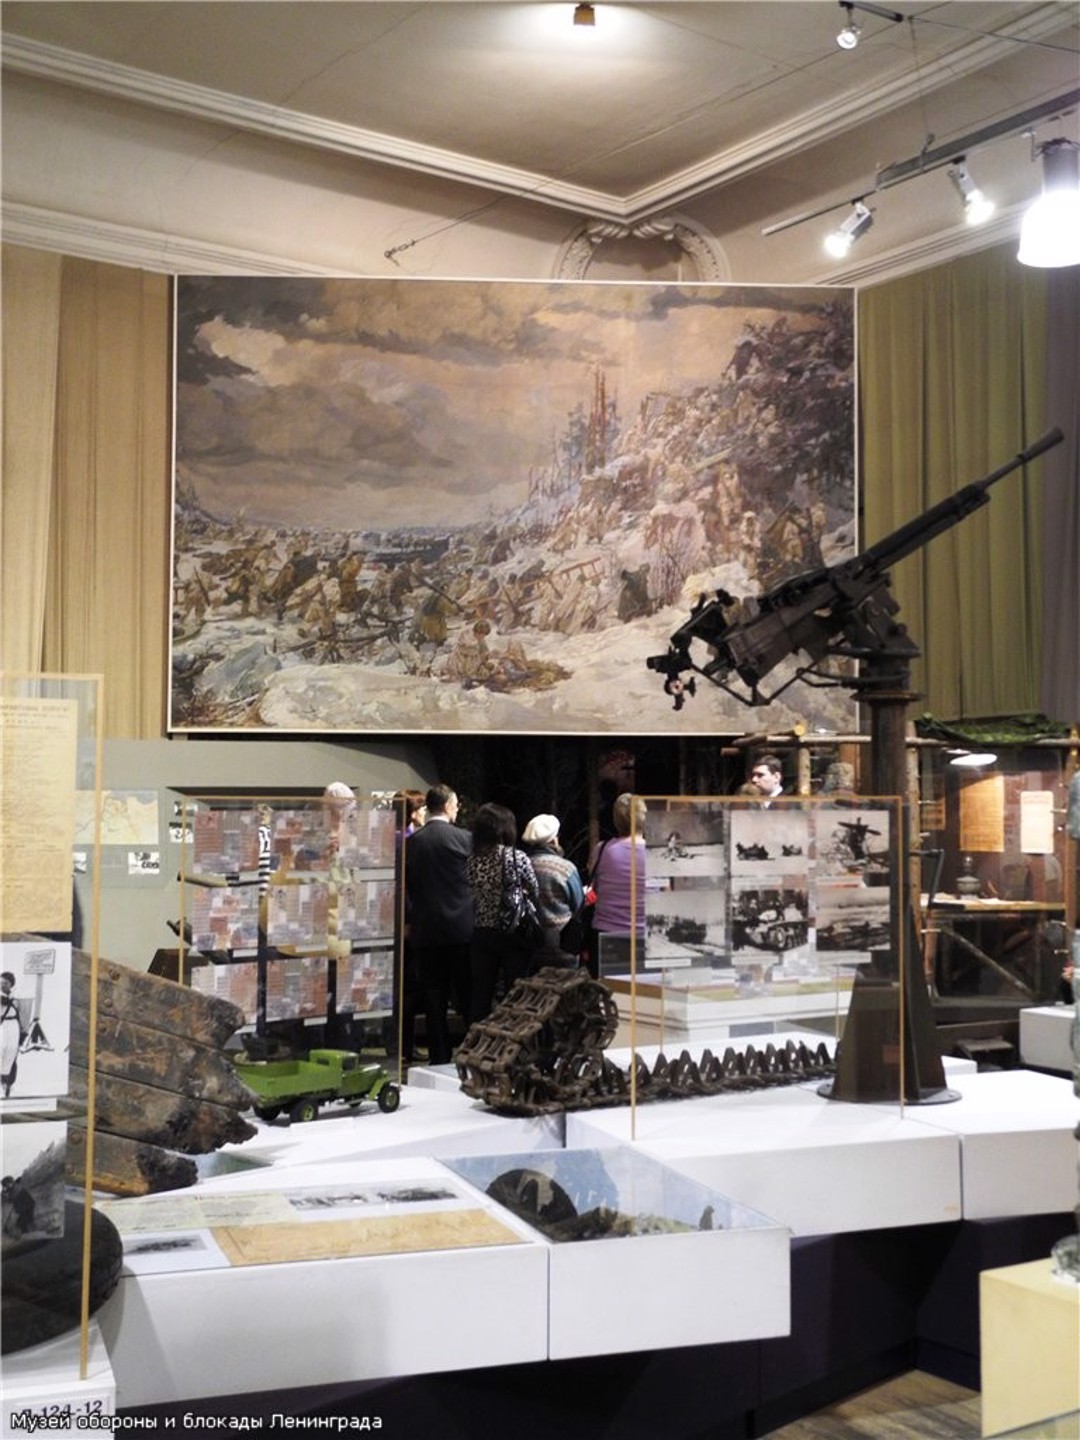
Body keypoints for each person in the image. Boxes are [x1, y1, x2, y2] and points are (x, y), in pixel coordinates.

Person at [403, 784, 473, 1065]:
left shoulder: (412, 843)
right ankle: (473, 1055)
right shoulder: (465, 839)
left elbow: (407, 885)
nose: (457, 809)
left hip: (426, 930)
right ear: (446, 806)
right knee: (467, 997)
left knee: (434, 1000)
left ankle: (439, 1058)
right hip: (461, 929)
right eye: (455, 804)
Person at [466, 803, 539, 1024]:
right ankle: (513, 1036)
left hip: (481, 932)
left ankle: (478, 1037)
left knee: (481, 993)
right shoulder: (515, 857)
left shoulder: (472, 860)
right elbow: (534, 890)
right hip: (511, 932)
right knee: (514, 992)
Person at [586, 793, 647, 979]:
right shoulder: (658, 852)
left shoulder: (602, 850)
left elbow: (596, 887)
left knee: (606, 992)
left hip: (605, 935)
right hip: (645, 937)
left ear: (616, 820)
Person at [521, 813, 585, 969]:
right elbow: (578, 906)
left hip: (529, 947)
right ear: (553, 840)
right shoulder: (565, 868)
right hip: (564, 947)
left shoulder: (520, 867)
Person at [1, 972, 27, 1099]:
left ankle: (8, 1083)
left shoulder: (17, 998)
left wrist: (23, 1033)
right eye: (1, 982)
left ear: (11, 984)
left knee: (11, 1054)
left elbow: (23, 1015)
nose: (2, 985)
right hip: (2, 1025)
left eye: (5, 983)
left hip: (13, 1027)